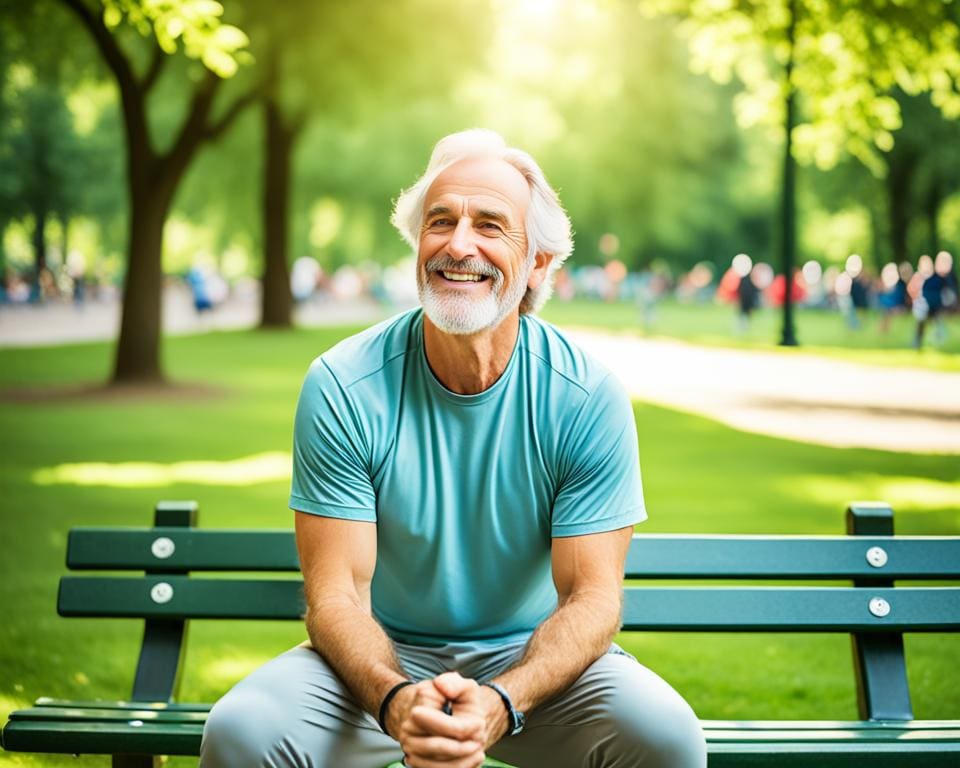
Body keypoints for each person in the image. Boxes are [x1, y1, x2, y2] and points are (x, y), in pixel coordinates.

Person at [200, 129, 706, 768]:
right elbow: (338, 598)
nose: (458, 243)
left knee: (666, 736)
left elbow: (591, 599)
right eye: (440, 222)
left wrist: (501, 701)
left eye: (490, 226)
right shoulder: (343, 384)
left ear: (539, 263)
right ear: (418, 245)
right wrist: (395, 700)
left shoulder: (586, 395)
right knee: (241, 730)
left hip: (534, 664)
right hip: (377, 659)